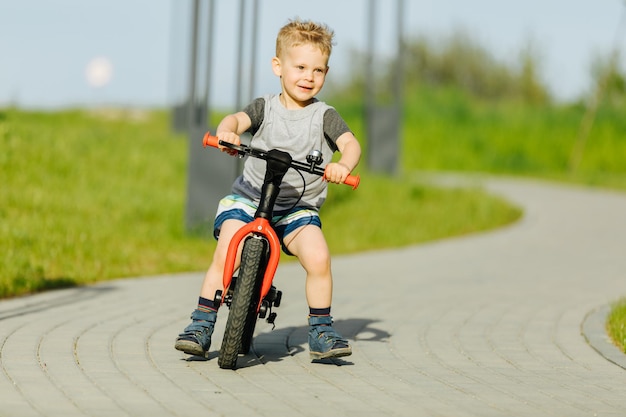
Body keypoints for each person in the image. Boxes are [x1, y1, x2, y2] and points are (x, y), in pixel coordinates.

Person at [175, 18, 361, 361]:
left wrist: (343, 165)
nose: (308, 76)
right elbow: (234, 121)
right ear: (278, 66)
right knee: (227, 249)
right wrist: (228, 133)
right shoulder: (265, 107)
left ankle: (321, 329)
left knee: (319, 257)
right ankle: (201, 323)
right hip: (249, 199)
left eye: (318, 70)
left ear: (326, 73)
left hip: (297, 209)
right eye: (300, 67)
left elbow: (350, 144)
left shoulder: (325, 116)